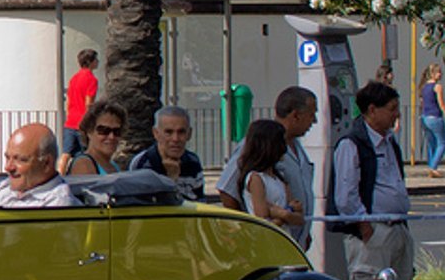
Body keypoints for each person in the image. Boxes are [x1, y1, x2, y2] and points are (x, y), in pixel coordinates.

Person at [330, 81, 415, 280]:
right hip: (373, 234)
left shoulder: (389, 141)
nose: (395, 116)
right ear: (371, 110)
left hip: (397, 229)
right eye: (391, 110)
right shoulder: (352, 144)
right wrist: (365, 226)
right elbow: (346, 194)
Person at [216, 86, 318, 253]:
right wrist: (248, 229)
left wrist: (302, 229)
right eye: (311, 115)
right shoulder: (258, 145)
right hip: (267, 244)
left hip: (292, 241)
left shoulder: (298, 148)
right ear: (296, 115)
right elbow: (227, 190)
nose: (314, 122)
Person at [0, 123, 78, 209]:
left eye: (21, 160)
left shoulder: (59, 205)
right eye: (7, 158)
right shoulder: (2, 189)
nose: (8, 167)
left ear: (46, 163)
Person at [239, 118, 306, 241]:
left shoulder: (279, 178)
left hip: (285, 239)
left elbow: (299, 218)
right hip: (265, 241)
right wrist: (286, 213)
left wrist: (279, 212)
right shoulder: (256, 178)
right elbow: (263, 218)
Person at [128, 104, 204, 200]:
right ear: (156, 133)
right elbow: (143, 206)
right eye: (169, 132)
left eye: (181, 132)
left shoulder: (193, 162)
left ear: (189, 134)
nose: (175, 139)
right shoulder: (143, 162)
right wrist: (171, 179)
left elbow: (200, 202)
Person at [62, 99, 126, 176]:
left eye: (116, 131)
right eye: (104, 130)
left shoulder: (113, 166)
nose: (111, 136)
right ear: (89, 131)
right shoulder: (84, 164)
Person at [62, 49, 99, 161]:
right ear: (90, 62)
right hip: (82, 122)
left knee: (66, 154)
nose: (97, 62)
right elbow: (89, 103)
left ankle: (61, 174)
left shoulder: (74, 78)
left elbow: (68, 101)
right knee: (87, 155)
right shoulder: (91, 79)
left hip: (70, 122)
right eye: (96, 59)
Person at [417, 62, 445, 174]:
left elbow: (422, 103)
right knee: (443, 143)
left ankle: (431, 164)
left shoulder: (423, 87)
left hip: (425, 117)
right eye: (438, 72)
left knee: (432, 144)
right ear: (433, 74)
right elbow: (441, 104)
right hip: (435, 116)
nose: (440, 74)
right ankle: (433, 167)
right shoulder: (437, 87)